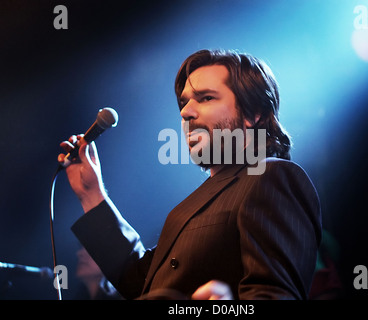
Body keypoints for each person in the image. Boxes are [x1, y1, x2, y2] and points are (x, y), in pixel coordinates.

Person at [58, 49, 322, 300]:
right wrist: (91, 193)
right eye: (184, 102)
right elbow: (140, 282)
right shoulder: (207, 195)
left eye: (206, 98)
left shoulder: (272, 177)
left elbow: (276, 294)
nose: (185, 112)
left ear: (254, 113)